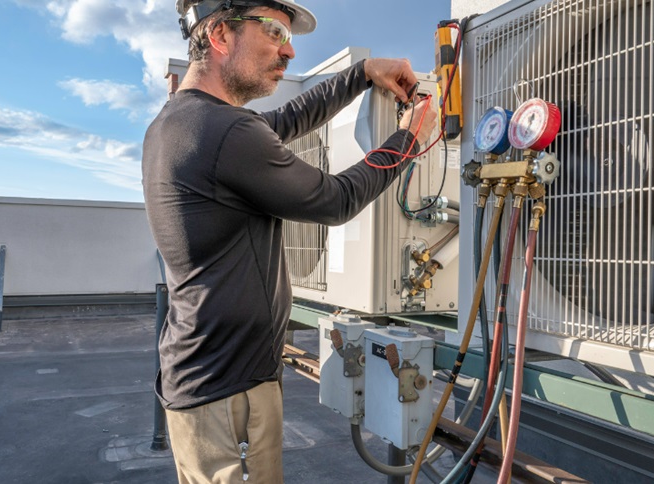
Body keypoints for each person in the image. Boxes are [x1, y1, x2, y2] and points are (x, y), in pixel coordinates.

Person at [142, 0, 437, 482]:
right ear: (220, 35)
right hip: (228, 394)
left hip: (202, 380)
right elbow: (335, 200)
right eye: (274, 33)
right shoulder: (224, 132)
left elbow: (290, 119)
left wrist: (362, 73)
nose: (290, 50)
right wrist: (408, 138)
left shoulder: (182, 122)